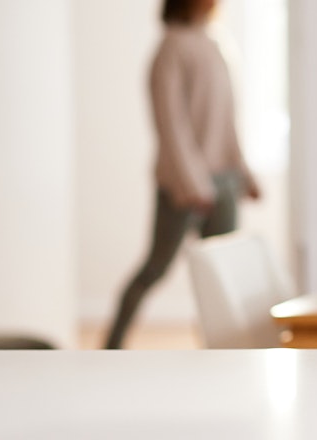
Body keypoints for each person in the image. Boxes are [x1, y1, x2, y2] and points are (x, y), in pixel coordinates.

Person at [105, 0, 260, 349]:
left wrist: (244, 173)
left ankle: (221, 351)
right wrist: (194, 183)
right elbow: (171, 125)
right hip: (183, 186)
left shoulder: (216, 44)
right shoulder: (171, 49)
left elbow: (227, 120)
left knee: (221, 276)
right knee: (155, 268)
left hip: (225, 180)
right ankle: (111, 346)